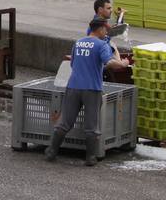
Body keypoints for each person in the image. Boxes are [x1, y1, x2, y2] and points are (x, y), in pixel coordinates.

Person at [46, 17, 130, 166]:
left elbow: (73, 64)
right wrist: (123, 63)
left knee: (65, 122)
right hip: (92, 88)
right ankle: (90, 157)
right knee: (91, 125)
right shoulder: (101, 44)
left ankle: (51, 151)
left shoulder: (78, 42)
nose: (107, 32)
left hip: (73, 86)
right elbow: (110, 63)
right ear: (100, 29)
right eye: (106, 29)